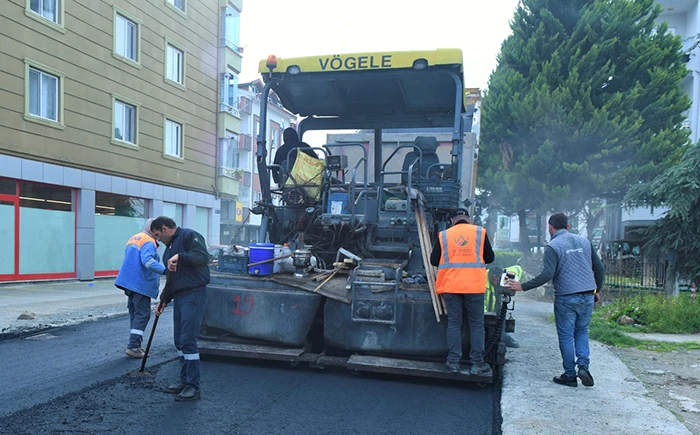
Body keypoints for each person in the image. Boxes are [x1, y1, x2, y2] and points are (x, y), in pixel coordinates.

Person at [505, 212, 604, 388]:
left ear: (550, 228)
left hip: (567, 297)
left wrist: (523, 286)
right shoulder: (585, 242)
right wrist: (597, 290)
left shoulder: (553, 246)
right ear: (568, 227)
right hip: (588, 295)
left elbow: (547, 274)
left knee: (566, 336)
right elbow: (599, 268)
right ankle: (583, 365)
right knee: (581, 331)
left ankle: (570, 375)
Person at [150, 216, 210, 402]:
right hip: (179, 297)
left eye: (158, 234)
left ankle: (193, 386)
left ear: (167, 228)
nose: (157, 239)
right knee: (179, 340)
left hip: (193, 295)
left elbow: (202, 258)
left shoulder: (189, 236)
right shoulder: (168, 250)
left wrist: (181, 256)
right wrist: (163, 300)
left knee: (187, 340)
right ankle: (184, 381)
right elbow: (171, 279)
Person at [430, 208, 495, 376]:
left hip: (451, 286)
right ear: (468, 218)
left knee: (454, 324)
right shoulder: (479, 232)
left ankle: (453, 362)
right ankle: (477, 363)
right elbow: (490, 258)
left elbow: (433, 260)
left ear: (452, 220)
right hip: (474, 286)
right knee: (476, 325)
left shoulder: (444, 235)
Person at [114, 218, 167, 358]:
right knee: (143, 314)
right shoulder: (149, 241)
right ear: (153, 229)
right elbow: (148, 261)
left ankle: (134, 344)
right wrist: (166, 270)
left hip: (128, 282)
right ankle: (133, 346)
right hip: (140, 283)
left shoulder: (135, 237)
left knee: (135, 313)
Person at [486, 266, 522, 348]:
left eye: (497, 280)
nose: (495, 282)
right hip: (487, 311)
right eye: (493, 280)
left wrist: (511, 279)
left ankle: (505, 337)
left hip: (499, 306)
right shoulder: (483, 281)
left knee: (502, 316)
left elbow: (518, 269)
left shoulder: (506, 275)